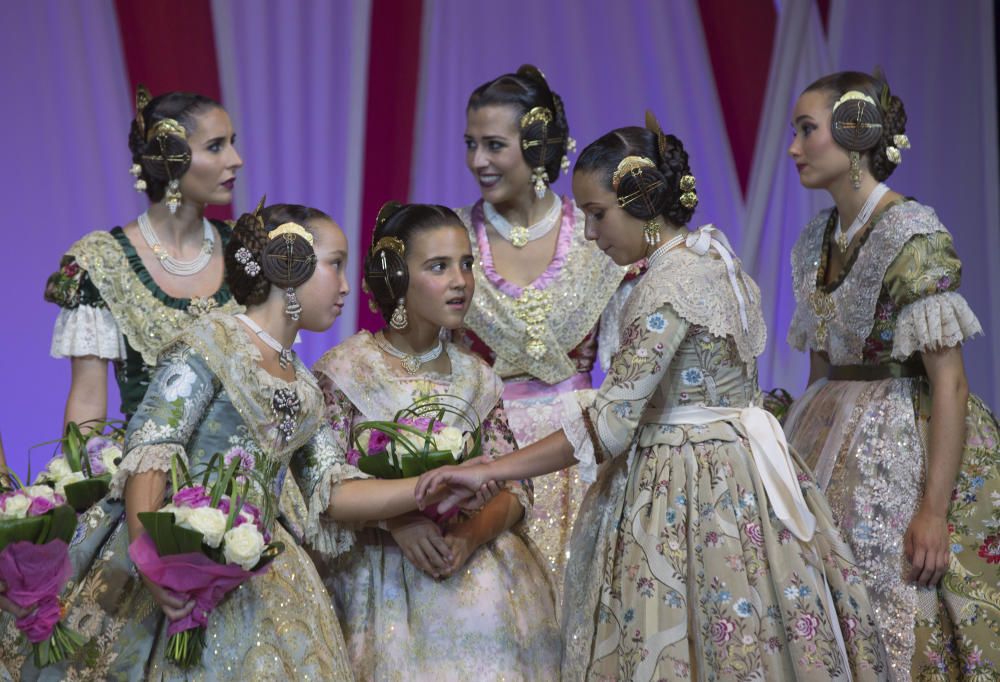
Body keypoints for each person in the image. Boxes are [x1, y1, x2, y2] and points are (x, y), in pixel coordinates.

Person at [417, 115, 889, 680]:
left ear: (641, 198)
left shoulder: (669, 283)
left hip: (689, 480)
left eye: (598, 215)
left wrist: (490, 469)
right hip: (742, 469)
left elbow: (609, 424)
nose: (591, 234)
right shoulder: (709, 256)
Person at [1, 203, 354, 680]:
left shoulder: (305, 384)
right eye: (335, 264)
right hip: (176, 546)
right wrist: (156, 562)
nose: (346, 286)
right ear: (289, 266)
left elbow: (334, 487)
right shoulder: (212, 342)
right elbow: (152, 448)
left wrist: (434, 485)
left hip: (260, 558)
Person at [784, 70, 1000, 679]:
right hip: (827, 434)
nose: (795, 148)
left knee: (901, 602)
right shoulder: (811, 241)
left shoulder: (911, 233)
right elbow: (819, 368)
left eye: (807, 130)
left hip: (905, 434)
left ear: (855, 135)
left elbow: (950, 381)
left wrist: (933, 511)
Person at [303, 202, 560, 680]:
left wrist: (470, 535)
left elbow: (517, 489)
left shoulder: (478, 376)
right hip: (378, 584)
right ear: (396, 278)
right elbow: (322, 491)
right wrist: (396, 520)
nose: (461, 280)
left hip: (478, 580)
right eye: (438, 267)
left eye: (466, 263)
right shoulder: (346, 370)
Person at [456, 65, 625, 587]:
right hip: (489, 462)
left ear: (536, 147)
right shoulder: (451, 240)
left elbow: (628, 364)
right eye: (470, 144)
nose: (477, 161)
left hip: (586, 456)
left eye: (493, 145)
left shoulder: (598, 232)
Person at [45, 85, 243, 427]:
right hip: (154, 473)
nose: (235, 159)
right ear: (169, 157)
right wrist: (83, 474)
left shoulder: (246, 249)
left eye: (231, 143)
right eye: (215, 147)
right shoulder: (104, 261)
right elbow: (88, 402)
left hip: (251, 468)